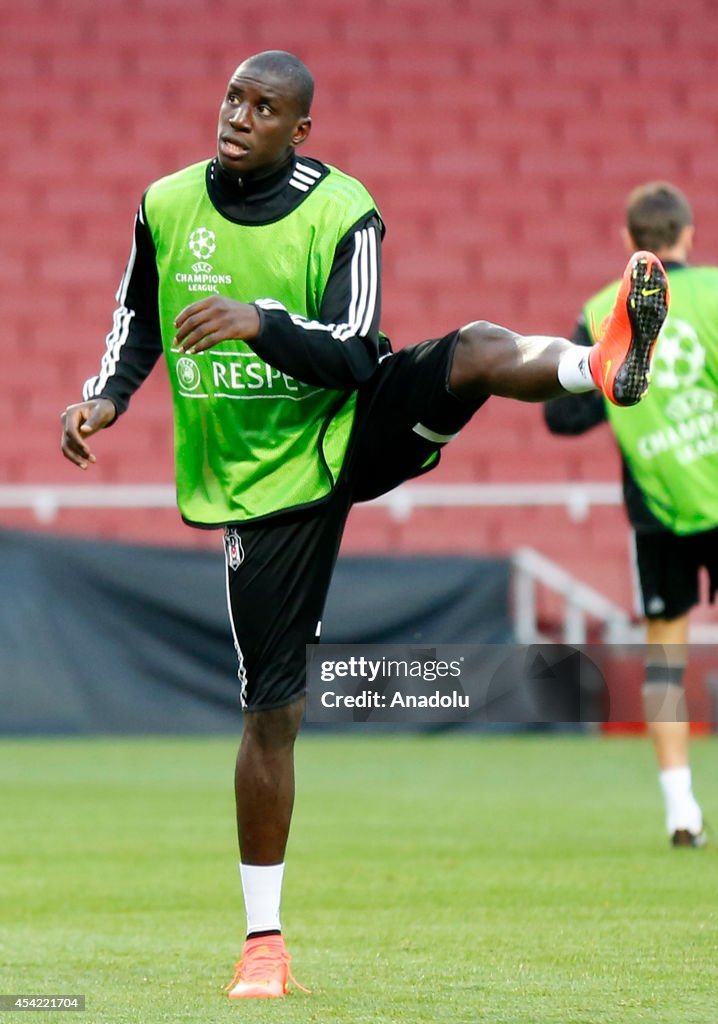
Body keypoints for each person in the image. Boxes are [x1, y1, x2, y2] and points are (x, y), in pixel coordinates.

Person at [60, 50, 669, 998]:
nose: (239, 116)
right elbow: (138, 313)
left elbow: (354, 355)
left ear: (299, 131)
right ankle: (264, 943)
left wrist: (261, 320)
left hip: (345, 427)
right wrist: (103, 399)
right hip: (259, 490)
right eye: (233, 98)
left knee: (467, 351)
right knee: (274, 713)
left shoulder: (344, 209)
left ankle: (599, 367)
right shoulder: (166, 203)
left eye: (265, 109)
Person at [545, 181, 713, 849]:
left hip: (658, 509)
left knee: (666, 660)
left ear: (628, 242)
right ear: (689, 235)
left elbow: (562, 413)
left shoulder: (599, 309)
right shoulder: (715, 294)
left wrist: (618, 396)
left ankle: (681, 811)